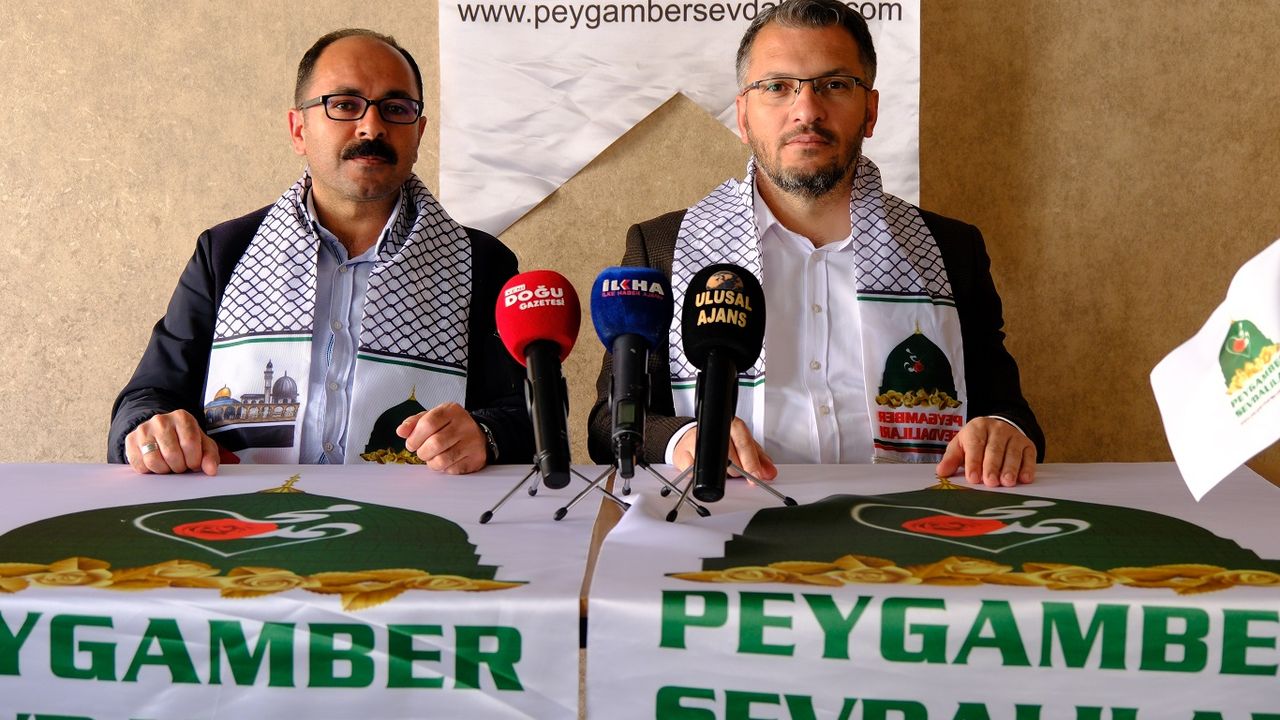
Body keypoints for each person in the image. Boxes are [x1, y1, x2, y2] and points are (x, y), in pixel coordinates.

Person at [587, 0, 1044, 487]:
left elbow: (1010, 414)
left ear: (870, 111)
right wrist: (683, 438)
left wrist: (1004, 431)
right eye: (777, 87)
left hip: (907, 519)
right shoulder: (664, 248)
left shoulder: (948, 250)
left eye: (835, 85)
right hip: (728, 515)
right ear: (743, 116)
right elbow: (608, 425)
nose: (806, 111)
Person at [109, 29, 532, 475]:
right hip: (244, 509)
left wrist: (486, 435)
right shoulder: (226, 253)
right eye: (345, 105)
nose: (372, 127)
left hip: (412, 514)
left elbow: (531, 417)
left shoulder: (480, 263)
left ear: (419, 132)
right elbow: (147, 397)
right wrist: (152, 431)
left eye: (395, 108)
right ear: (299, 130)